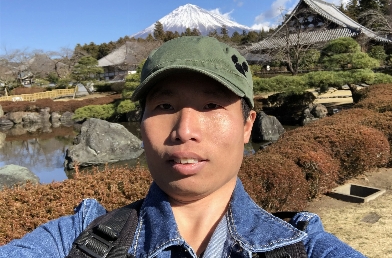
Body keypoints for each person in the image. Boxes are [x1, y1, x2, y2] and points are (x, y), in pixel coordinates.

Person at [0, 36, 366, 258]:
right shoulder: (77, 239)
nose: (184, 130)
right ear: (141, 121)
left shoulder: (303, 246)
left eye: (210, 106)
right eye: (164, 106)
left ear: (247, 125)